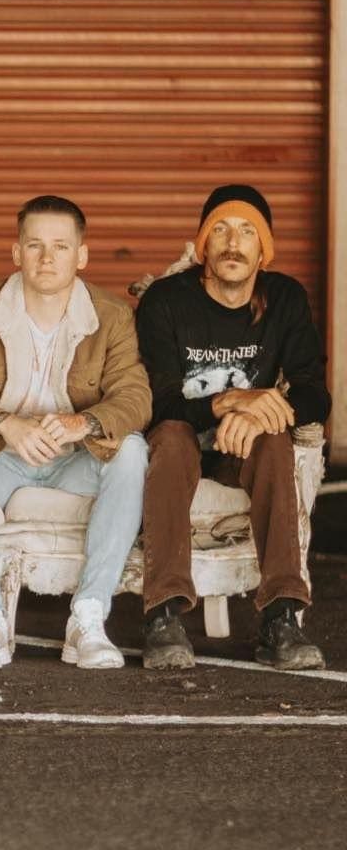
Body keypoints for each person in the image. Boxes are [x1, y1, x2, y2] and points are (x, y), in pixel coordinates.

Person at [0, 195, 151, 670]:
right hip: (3, 457)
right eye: (35, 246)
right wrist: (5, 423)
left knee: (132, 450)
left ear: (82, 255)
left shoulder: (112, 316)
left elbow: (136, 399)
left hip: (75, 459)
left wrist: (85, 423)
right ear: (17, 253)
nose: (47, 258)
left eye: (60, 246)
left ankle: (89, 616)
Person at [136, 184, 331, 671]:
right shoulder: (165, 301)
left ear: (263, 249)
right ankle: (164, 613)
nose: (232, 242)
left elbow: (314, 394)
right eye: (219, 229)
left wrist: (256, 411)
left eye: (247, 231)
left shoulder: (284, 298)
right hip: (180, 440)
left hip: (242, 449)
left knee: (273, 438)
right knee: (173, 438)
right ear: (202, 244)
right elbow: (159, 403)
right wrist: (227, 402)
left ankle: (281, 615)